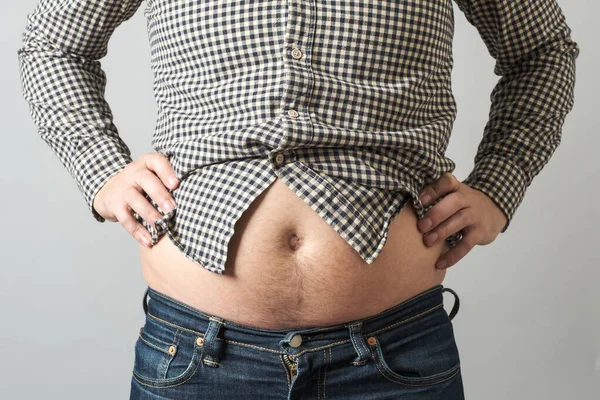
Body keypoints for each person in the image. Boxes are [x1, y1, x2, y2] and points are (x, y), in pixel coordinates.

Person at [17, 1, 579, 398]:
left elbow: (543, 49)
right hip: (195, 358)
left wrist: (500, 182)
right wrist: (100, 168)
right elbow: (51, 43)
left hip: (394, 359)